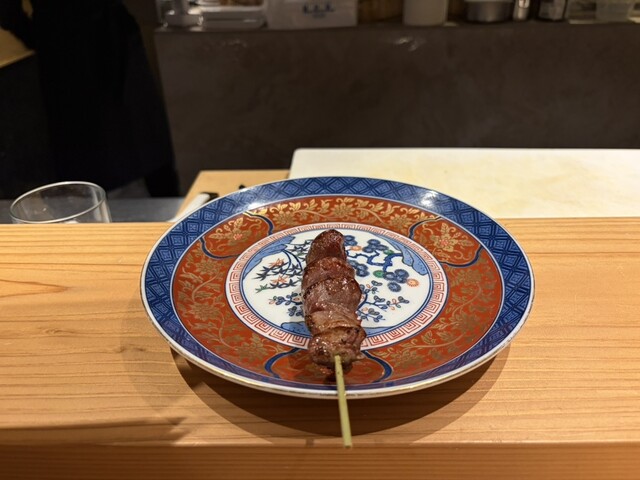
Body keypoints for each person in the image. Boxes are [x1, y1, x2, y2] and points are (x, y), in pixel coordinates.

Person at [0, 0, 179, 197]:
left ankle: (167, 204)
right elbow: (8, 10)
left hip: (104, 39)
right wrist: (42, 37)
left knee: (146, 142)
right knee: (103, 158)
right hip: (72, 50)